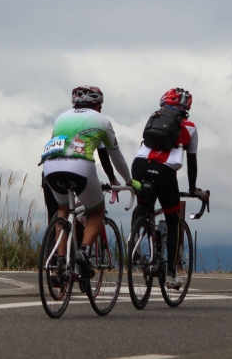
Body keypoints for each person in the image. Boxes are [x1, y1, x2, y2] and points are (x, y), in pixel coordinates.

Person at [40, 85, 136, 279]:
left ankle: (60, 262)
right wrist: (129, 181)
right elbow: (115, 157)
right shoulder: (102, 121)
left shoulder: (61, 117)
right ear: (98, 105)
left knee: (63, 210)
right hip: (80, 166)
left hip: (49, 166)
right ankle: (83, 252)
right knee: (96, 212)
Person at [131, 88, 206, 289]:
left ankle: (134, 239)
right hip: (164, 172)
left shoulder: (153, 118)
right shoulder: (190, 127)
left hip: (138, 165)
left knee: (144, 203)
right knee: (173, 220)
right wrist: (192, 188)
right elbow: (192, 161)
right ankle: (172, 275)